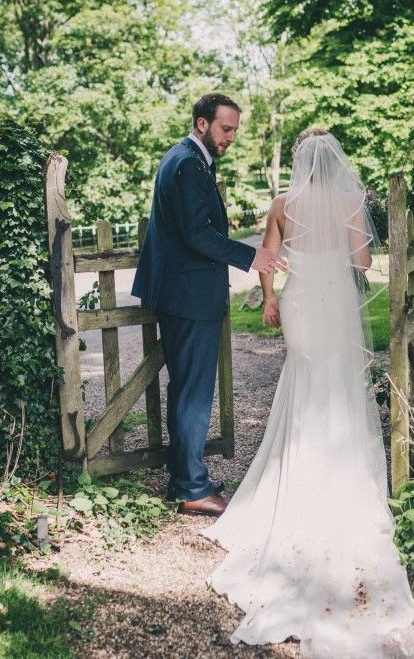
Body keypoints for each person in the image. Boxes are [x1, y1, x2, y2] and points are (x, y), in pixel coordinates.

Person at [201, 127, 414, 657]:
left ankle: (300, 469)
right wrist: (351, 233)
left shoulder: (282, 203)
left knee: (304, 380)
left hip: (301, 299)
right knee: (340, 382)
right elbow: (364, 264)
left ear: (302, 162)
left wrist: (270, 300)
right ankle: (339, 469)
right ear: (336, 164)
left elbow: (269, 260)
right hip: (336, 304)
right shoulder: (351, 199)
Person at [131, 92, 286, 517]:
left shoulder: (189, 160)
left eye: (235, 129)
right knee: (195, 393)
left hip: (184, 293)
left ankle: (186, 479)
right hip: (187, 295)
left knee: (187, 389)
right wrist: (251, 255)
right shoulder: (186, 164)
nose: (231, 137)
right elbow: (196, 234)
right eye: (225, 128)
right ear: (202, 123)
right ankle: (192, 489)